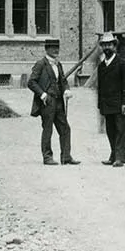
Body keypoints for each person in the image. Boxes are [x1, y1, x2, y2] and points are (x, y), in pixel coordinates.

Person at [26, 37, 79, 166]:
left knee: (65, 128)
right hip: (47, 102)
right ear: (46, 49)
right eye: (52, 48)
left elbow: (63, 80)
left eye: (57, 48)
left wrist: (66, 89)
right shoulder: (40, 64)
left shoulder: (58, 64)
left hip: (59, 101)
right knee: (48, 129)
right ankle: (47, 157)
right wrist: (42, 94)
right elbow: (31, 82)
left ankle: (66, 156)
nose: (56, 50)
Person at [96, 30, 125, 165]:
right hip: (107, 104)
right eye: (104, 45)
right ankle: (113, 155)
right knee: (110, 131)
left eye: (109, 45)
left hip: (119, 105)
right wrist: (100, 104)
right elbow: (100, 87)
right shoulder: (101, 66)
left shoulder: (122, 64)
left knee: (120, 131)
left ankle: (120, 158)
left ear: (114, 46)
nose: (107, 48)